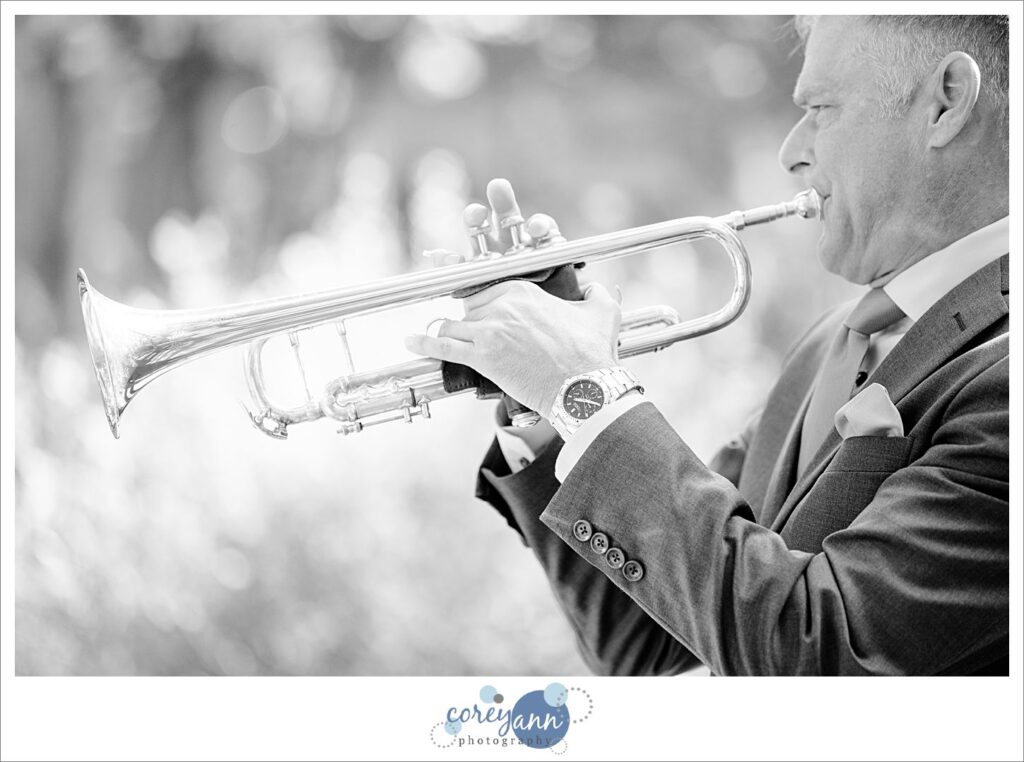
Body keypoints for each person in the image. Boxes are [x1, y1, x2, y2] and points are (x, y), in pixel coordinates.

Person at [405, 15, 1009, 675]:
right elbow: (646, 639)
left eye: (821, 109)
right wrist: (542, 406)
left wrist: (585, 392)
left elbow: (818, 654)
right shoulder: (826, 345)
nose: (792, 151)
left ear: (946, 102)